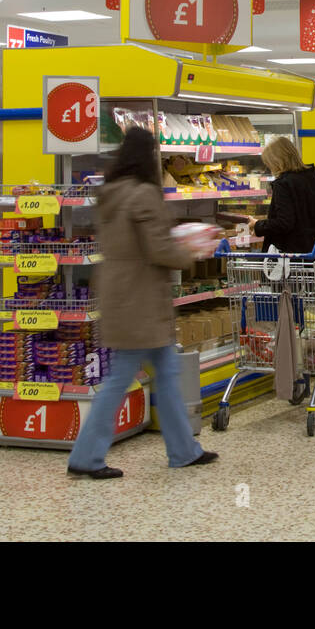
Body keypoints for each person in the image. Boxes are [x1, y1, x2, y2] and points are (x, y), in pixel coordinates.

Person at [67, 127, 222, 480]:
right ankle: (86, 456)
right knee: (121, 379)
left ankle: (183, 450)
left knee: (165, 375)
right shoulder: (144, 194)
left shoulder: (111, 193)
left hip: (120, 293)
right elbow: (159, 249)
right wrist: (191, 251)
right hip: (142, 299)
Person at [255, 136, 315, 253]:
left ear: (276, 162)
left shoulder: (283, 184)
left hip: (291, 257)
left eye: (269, 164)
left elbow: (284, 223)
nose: (270, 168)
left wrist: (258, 225)